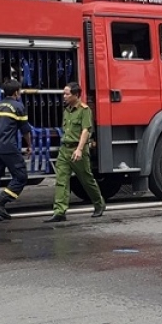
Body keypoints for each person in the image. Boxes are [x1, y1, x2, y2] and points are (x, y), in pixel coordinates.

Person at [45, 83, 106, 222]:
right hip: (65, 149)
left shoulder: (84, 110)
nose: (64, 96)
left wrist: (79, 149)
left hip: (77, 150)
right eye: (64, 93)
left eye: (67, 94)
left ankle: (99, 203)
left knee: (86, 180)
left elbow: (86, 130)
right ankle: (60, 211)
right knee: (61, 180)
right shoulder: (67, 111)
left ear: (76, 95)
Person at [0, 80, 32, 222]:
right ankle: (0, 203)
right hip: (9, 148)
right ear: (16, 92)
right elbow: (25, 130)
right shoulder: (18, 107)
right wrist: (29, 145)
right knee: (21, 176)